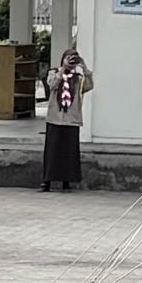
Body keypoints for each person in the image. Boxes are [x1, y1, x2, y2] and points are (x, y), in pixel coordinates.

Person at [39, 48, 91, 191]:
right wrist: (63, 69)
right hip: (55, 118)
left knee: (69, 152)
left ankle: (66, 181)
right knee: (52, 152)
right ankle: (47, 181)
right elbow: (52, 85)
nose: (71, 62)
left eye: (73, 59)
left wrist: (84, 67)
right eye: (69, 58)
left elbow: (89, 86)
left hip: (71, 119)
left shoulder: (78, 78)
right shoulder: (54, 73)